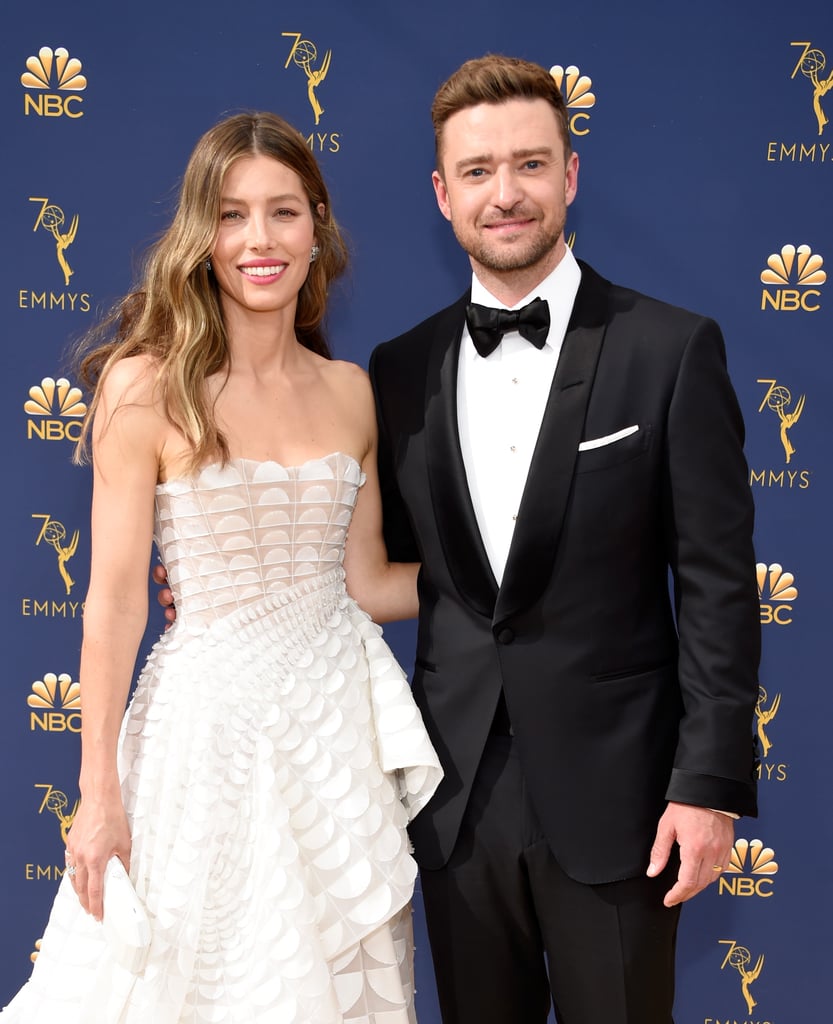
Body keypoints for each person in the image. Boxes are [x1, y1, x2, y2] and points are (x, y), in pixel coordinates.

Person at [2, 111, 441, 1024]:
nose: (259, 240)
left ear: (316, 228)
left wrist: (513, 572)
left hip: (333, 745)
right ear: (201, 236)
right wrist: (97, 792)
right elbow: (116, 602)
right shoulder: (142, 386)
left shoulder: (353, 391)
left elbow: (365, 583)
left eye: (282, 212)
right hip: (203, 743)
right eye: (232, 215)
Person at [367, 55, 760, 1023]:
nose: (504, 193)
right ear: (440, 192)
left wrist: (705, 784)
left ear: (569, 175)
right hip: (455, 803)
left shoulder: (668, 348)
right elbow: (374, 567)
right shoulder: (397, 367)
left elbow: (714, 583)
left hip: (621, 801)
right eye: (476, 170)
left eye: (529, 165)